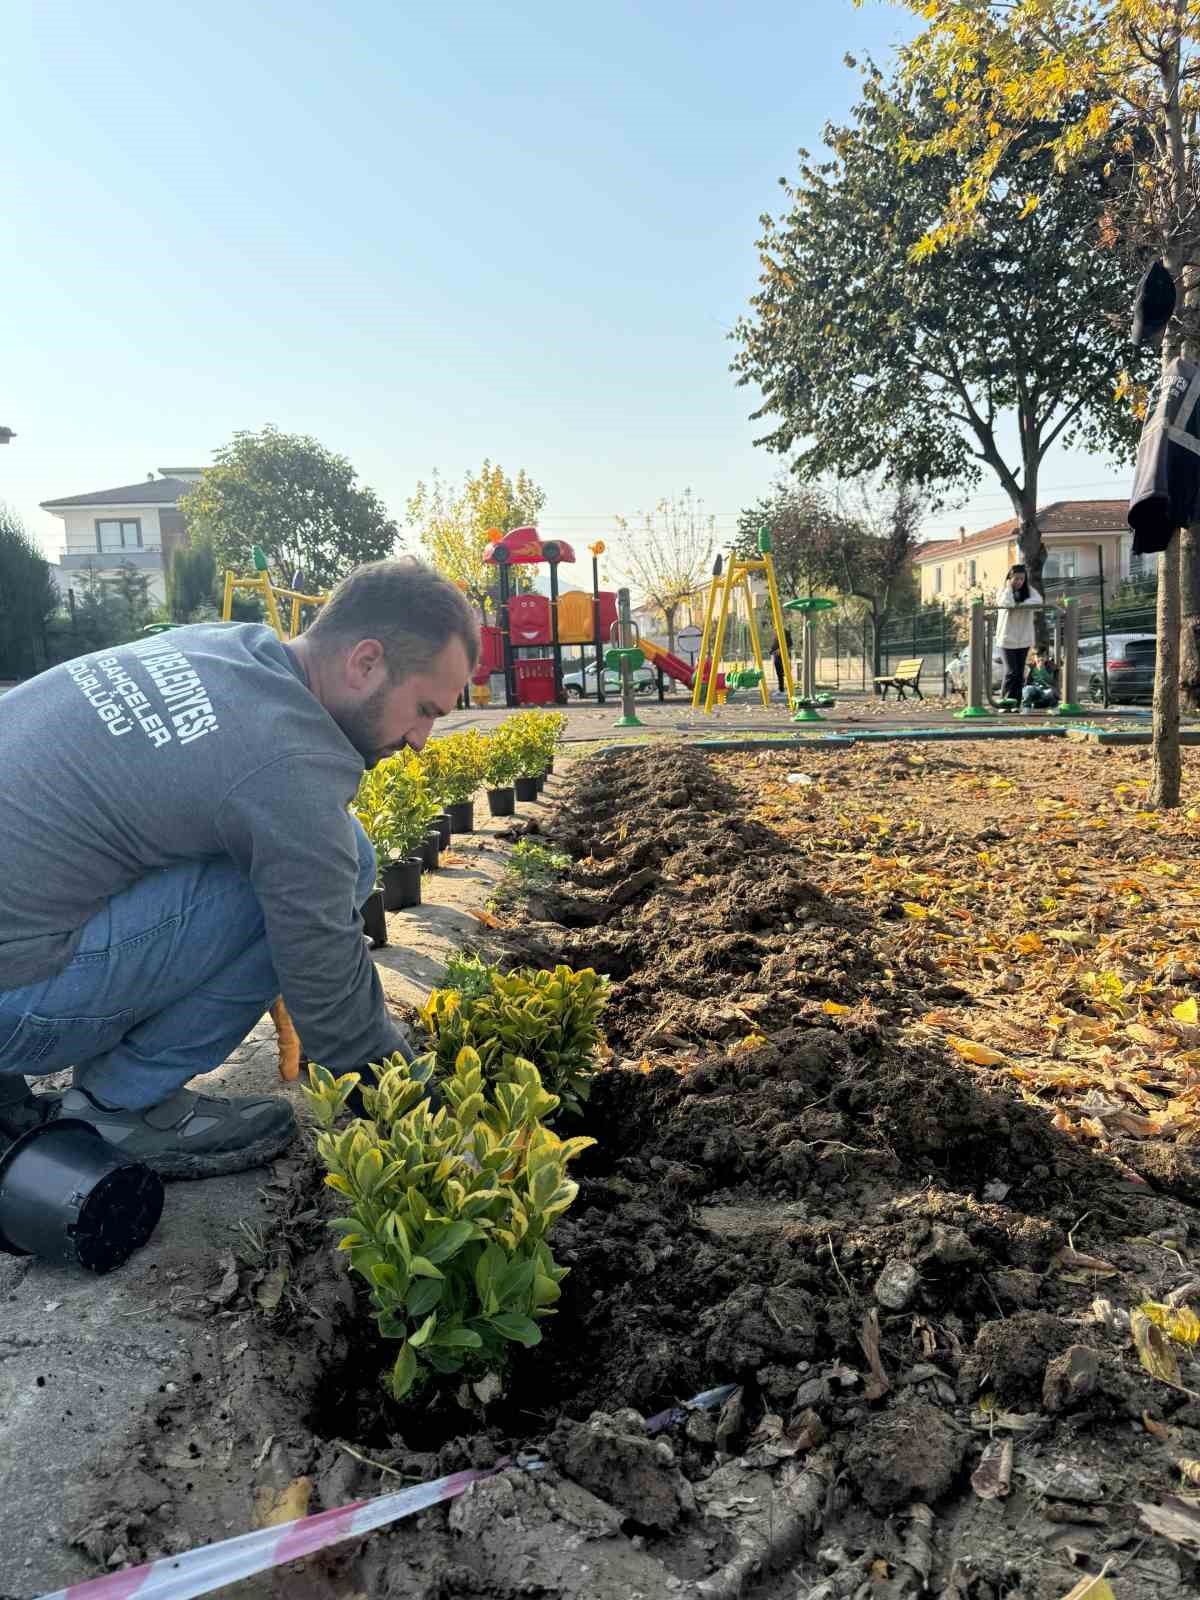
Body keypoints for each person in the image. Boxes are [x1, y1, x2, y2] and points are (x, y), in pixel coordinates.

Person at [0, 559, 478, 1177]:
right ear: (365, 663)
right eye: (425, 709)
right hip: (16, 1005)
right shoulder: (288, 760)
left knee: (286, 851)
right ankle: (118, 1105)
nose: (421, 738)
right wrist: (428, 1125)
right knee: (342, 864)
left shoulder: (225, 649)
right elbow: (329, 993)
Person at [994, 564, 1043, 707]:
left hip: (1023, 638)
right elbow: (1006, 603)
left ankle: (1015, 703)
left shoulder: (1029, 591)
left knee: (1020, 672)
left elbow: (1038, 601)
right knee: (1011, 671)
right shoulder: (1004, 591)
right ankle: (1005, 702)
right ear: (1009, 578)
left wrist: (1022, 604)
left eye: (1022, 579)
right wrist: (1009, 588)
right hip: (1007, 638)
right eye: (1016, 579)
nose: (1019, 582)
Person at [771, 628, 794, 694]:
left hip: (784, 657)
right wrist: (773, 651)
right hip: (777, 657)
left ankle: (788, 689)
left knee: (786, 673)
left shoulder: (785, 634)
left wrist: (781, 651)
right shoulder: (775, 635)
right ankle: (781, 689)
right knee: (779, 674)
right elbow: (774, 646)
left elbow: (790, 646)